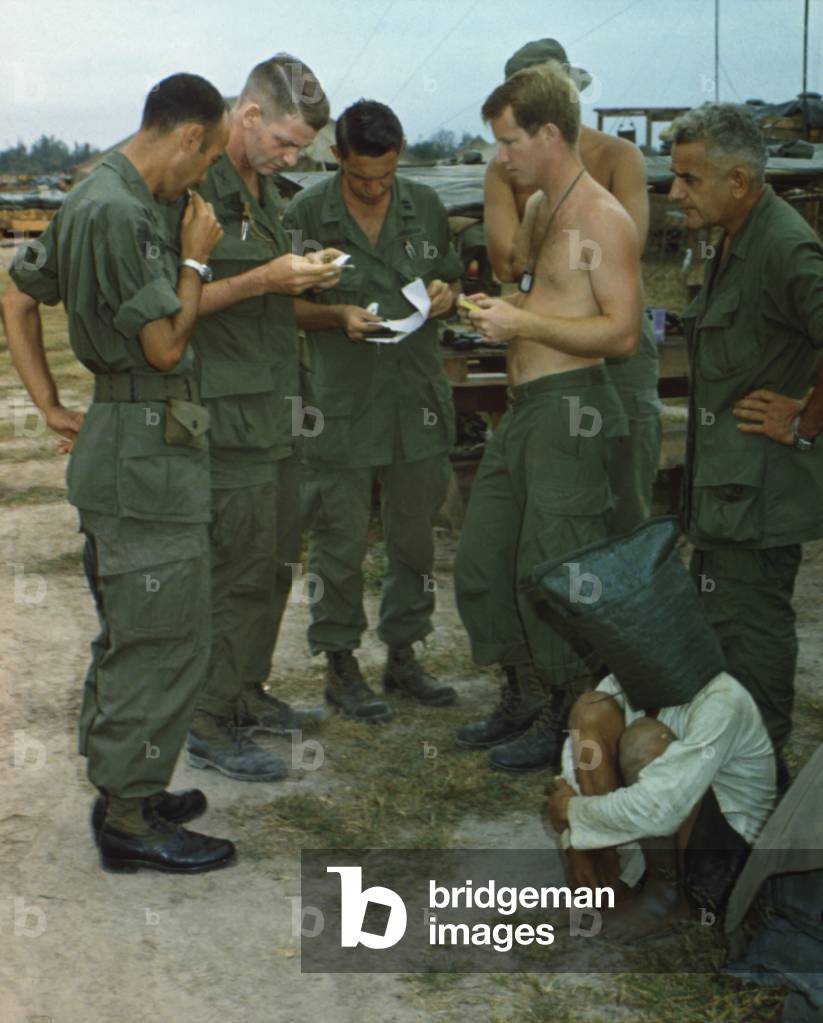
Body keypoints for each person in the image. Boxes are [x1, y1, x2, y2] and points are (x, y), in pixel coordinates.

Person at [1, 74, 235, 872]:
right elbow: (166, 346)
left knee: (141, 629)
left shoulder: (94, 193)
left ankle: (128, 784)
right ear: (189, 136)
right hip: (142, 455)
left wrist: (48, 401)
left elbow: (17, 293)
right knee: (158, 639)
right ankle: (130, 819)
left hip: (135, 443)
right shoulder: (119, 212)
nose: (199, 184)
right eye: (203, 164)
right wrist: (196, 262)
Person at [461, 39, 661, 772]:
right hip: (524, 412)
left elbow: (622, 331)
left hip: (571, 410)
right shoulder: (544, 203)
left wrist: (524, 324)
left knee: (555, 570)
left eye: (509, 140)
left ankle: (570, 709)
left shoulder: (603, 216)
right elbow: (540, 294)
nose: (501, 156)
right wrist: (503, 309)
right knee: (485, 557)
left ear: (548, 134)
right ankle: (521, 688)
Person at [182, 55, 343, 782]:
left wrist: (305, 280)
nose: (290, 159)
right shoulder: (193, 187)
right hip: (228, 416)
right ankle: (207, 719)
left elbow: (265, 293)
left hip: (280, 408)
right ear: (247, 116)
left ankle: (246, 689)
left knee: (274, 559)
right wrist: (265, 279)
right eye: (283, 143)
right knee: (233, 566)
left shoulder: (267, 190)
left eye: (299, 151)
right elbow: (169, 306)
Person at [283, 99, 464, 722]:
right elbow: (278, 305)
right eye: (361, 177)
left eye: (385, 175)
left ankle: (404, 655)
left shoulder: (426, 207)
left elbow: (449, 281)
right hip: (342, 403)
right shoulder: (307, 213)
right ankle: (339, 663)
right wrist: (334, 315)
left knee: (415, 539)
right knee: (338, 540)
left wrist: (446, 297)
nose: (374, 188)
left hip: (416, 401)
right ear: (336, 157)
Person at [669, 103, 823, 756]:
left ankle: (759, 807)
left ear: (737, 180)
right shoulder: (736, 237)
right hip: (725, 493)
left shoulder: (784, 244)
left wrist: (805, 419)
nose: (674, 192)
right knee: (720, 643)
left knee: (752, 644)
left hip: (757, 499)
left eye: (689, 179)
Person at [545, 670, 775, 942]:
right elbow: (573, 772)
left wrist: (573, 812)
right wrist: (577, 844)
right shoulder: (623, 678)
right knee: (589, 709)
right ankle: (610, 883)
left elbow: (660, 810)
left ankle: (666, 896)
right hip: (657, 831)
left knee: (644, 740)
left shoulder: (722, 698)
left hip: (722, 854)